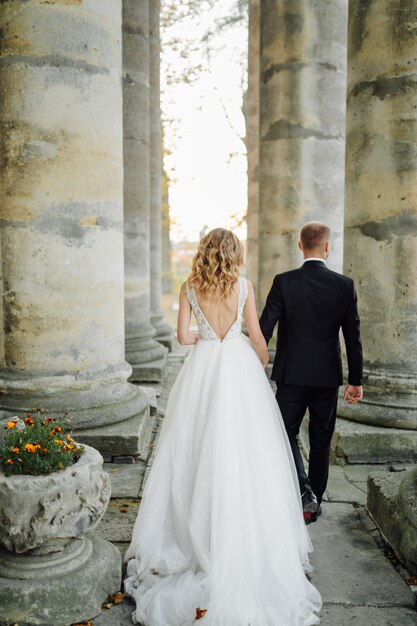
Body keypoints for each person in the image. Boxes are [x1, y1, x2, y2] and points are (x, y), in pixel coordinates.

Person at [124, 228, 322, 626]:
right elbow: (257, 338)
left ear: (204, 252)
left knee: (195, 448)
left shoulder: (189, 286)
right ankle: (242, 536)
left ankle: (195, 534)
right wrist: (258, 366)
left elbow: (182, 337)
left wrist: (206, 335)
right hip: (237, 367)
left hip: (202, 368)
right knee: (246, 453)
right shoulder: (244, 286)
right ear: (235, 253)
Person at [259, 222, 363, 524]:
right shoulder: (344, 286)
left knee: (283, 433)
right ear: (327, 247)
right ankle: (313, 498)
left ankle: (303, 492)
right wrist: (355, 379)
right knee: (320, 439)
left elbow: (264, 329)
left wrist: (254, 365)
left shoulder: (284, 282)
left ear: (300, 246)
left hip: (290, 375)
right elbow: (352, 337)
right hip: (327, 378)